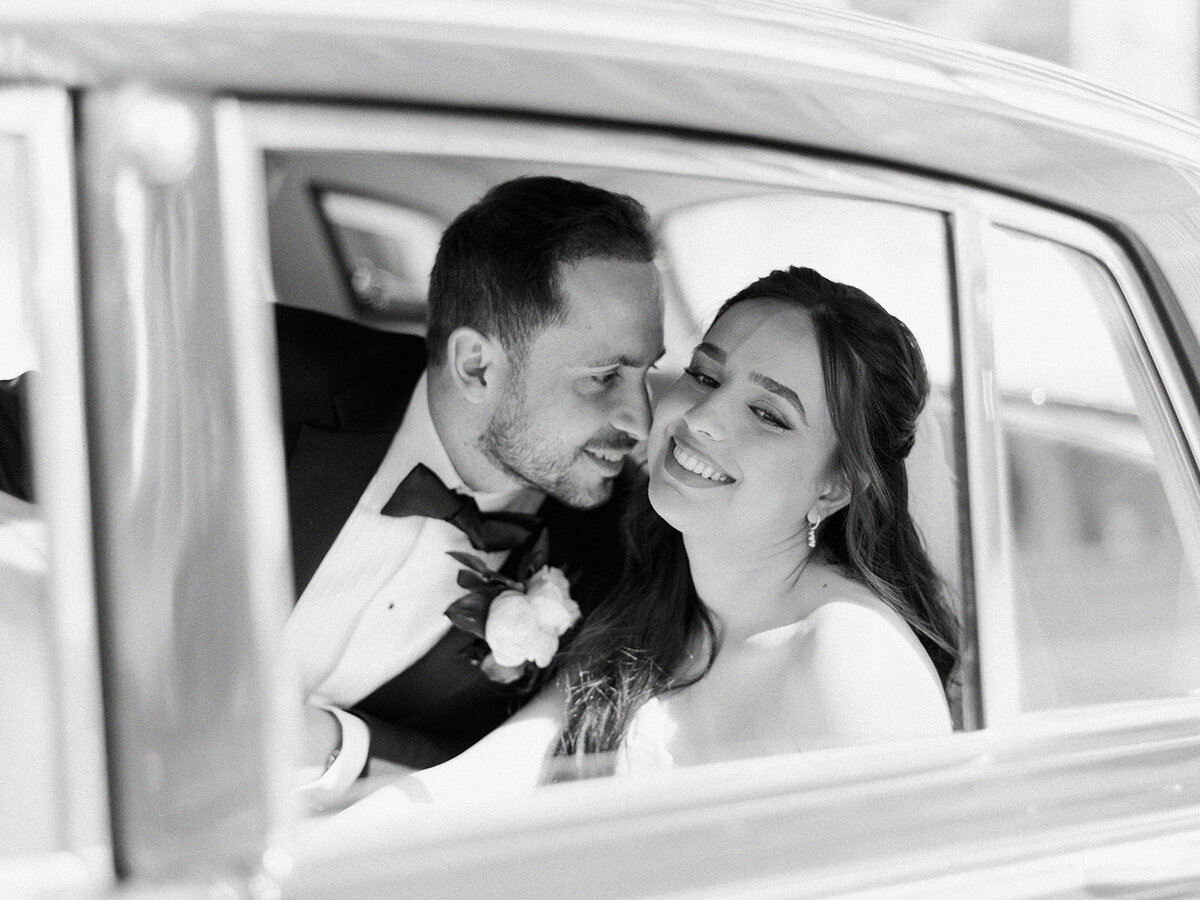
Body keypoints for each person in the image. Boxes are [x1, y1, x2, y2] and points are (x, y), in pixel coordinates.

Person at [332, 265, 959, 807]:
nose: (703, 419)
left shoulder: (851, 659)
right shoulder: (662, 598)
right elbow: (485, 781)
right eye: (706, 378)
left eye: (769, 415)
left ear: (835, 486)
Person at [276, 175, 664, 802]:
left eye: (644, 373)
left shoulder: (610, 554)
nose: (639, 420)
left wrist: (330, 746)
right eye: (601, 377)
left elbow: (491, 765)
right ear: (476, 366)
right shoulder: (253, 373)